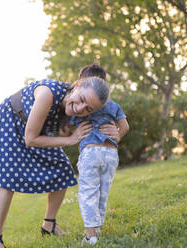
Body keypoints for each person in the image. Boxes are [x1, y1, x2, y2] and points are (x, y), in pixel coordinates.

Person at [0, 76, 120, 248]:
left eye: (88, 109)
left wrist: (116, 132)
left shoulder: (75, 107)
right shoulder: (47, 94)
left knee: (63, 170)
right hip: (12, 119)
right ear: (77, 86)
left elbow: (99, 127)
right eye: (81, 99)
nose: (80, 108)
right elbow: (31, 139)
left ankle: (49, 225)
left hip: (36, 130)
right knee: (7, 180)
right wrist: (70, 140)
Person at [70, 64, 129, 246]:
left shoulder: (81, 103)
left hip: (91, 152)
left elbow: (67, 126)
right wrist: (116, 136)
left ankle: (90, 237)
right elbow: (125, 127)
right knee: (103, 193)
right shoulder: (112, 105)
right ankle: (97, 229)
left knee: (88, 192)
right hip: (111, 153)